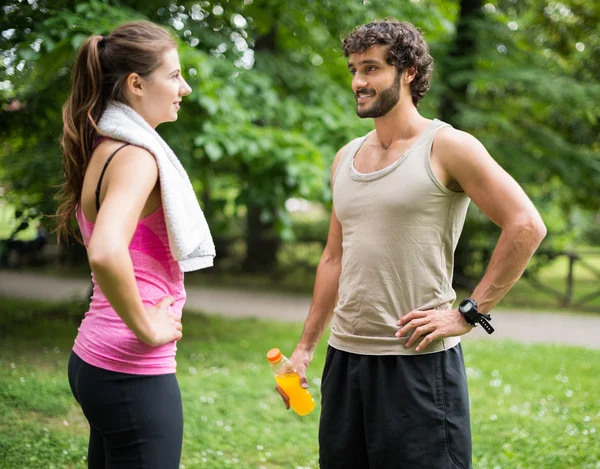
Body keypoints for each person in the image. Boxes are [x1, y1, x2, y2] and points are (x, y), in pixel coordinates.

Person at [277, 19, 547, 469]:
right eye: (353, 70)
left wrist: (470, 312)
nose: (358, 82)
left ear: (408, 72)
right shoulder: (346, 156)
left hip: (417, 365)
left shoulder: (448, 147)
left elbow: (525, 225)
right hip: (345, 360)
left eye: (371, 68)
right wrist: (305, 348)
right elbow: (333, 257)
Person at [56, 20, 211, 469]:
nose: (184, 88)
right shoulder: (138, 157)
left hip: (96, 358)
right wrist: (146, 326)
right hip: (130, 367)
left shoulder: (106, 147)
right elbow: (105, 251)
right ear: (137, 84)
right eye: (174, 75)